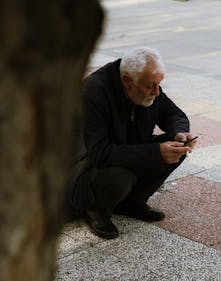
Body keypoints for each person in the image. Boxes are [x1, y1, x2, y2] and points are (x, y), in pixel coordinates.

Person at [69, 47, 197, 239]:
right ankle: (97, 210)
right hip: (87, 169)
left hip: (126, 152)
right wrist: (155, 152)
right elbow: (100, 153)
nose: (156, 92)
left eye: (159, 85)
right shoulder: (93, 92)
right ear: (127, 81)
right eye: (150, 86)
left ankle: (132, 203)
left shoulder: (147, 85)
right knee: (121, 176)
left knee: (175, 147)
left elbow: (174, 114)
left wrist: (180, 134)